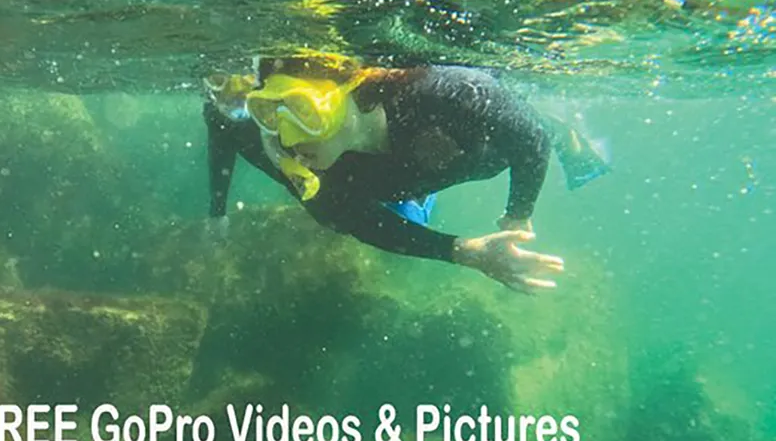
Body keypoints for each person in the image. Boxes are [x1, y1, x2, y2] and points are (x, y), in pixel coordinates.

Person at [204, 53, 608, 292]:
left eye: (303, 110)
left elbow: (529, 140)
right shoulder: (311, 178)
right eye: (269, 111)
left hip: (485, 154)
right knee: (401, 212)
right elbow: (366, 225)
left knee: (534, 125)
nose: (285, 137)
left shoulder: (444, 93)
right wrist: (465, 252)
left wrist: (518, 212)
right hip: (402, 181)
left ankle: (565, 126)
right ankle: (417, 198)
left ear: (344, 97)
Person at [202, 70, 438, 236]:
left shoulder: (282, 98)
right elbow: (220, 149)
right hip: (303, 180)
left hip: (342, 168)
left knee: (407, 223)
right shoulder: (216, 114)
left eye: (242, 80)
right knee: (335, 221)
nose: (231, 93)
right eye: (218, 80)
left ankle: (421, 193)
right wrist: (218, 211)